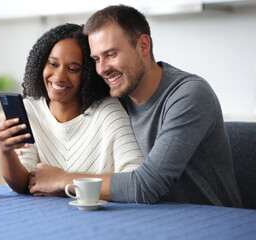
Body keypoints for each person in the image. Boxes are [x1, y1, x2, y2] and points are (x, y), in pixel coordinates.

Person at [27, 5, 243, 208]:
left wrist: (63, 180)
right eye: (96, 59)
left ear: (143, 46)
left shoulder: (189, 95)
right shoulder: (116, 98)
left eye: (111, 54)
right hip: (145, 217)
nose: (102, 69)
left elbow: (147, 186)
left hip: (208, 221)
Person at [0, 23, 144, 194]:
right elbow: (23, 184)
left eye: (73, 69)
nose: (59, 77)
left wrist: (63, 184)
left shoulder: (108, 112)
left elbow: (134, 181)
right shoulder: (30, 110)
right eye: (53, 64)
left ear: (88, 74)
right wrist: (5, 151)